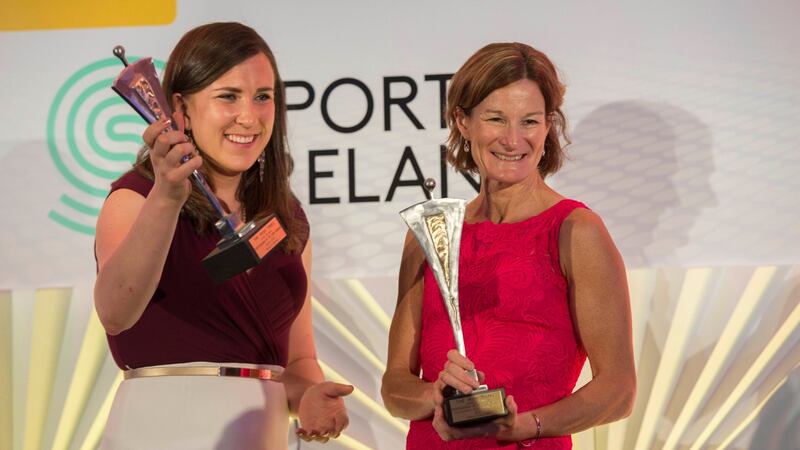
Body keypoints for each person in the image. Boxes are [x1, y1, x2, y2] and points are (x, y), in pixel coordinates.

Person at [94, 22, 352, 449]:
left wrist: (309, 397)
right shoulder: (136, 198)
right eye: (228, 96)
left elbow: (298, 359)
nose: (249, 117)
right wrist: (167, 199)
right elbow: (115, 314)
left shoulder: (287, 218)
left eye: (263, 97)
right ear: (181, 108)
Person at [381, 42, 636, 449]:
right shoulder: (432, 236)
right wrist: (435, 397)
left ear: (549, 125)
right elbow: (394, 386)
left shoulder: (576, 231)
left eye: (530, 122)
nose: (514, 140)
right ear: (463, 122)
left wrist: (526, 426)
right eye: (496, 119)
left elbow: (618, 391)